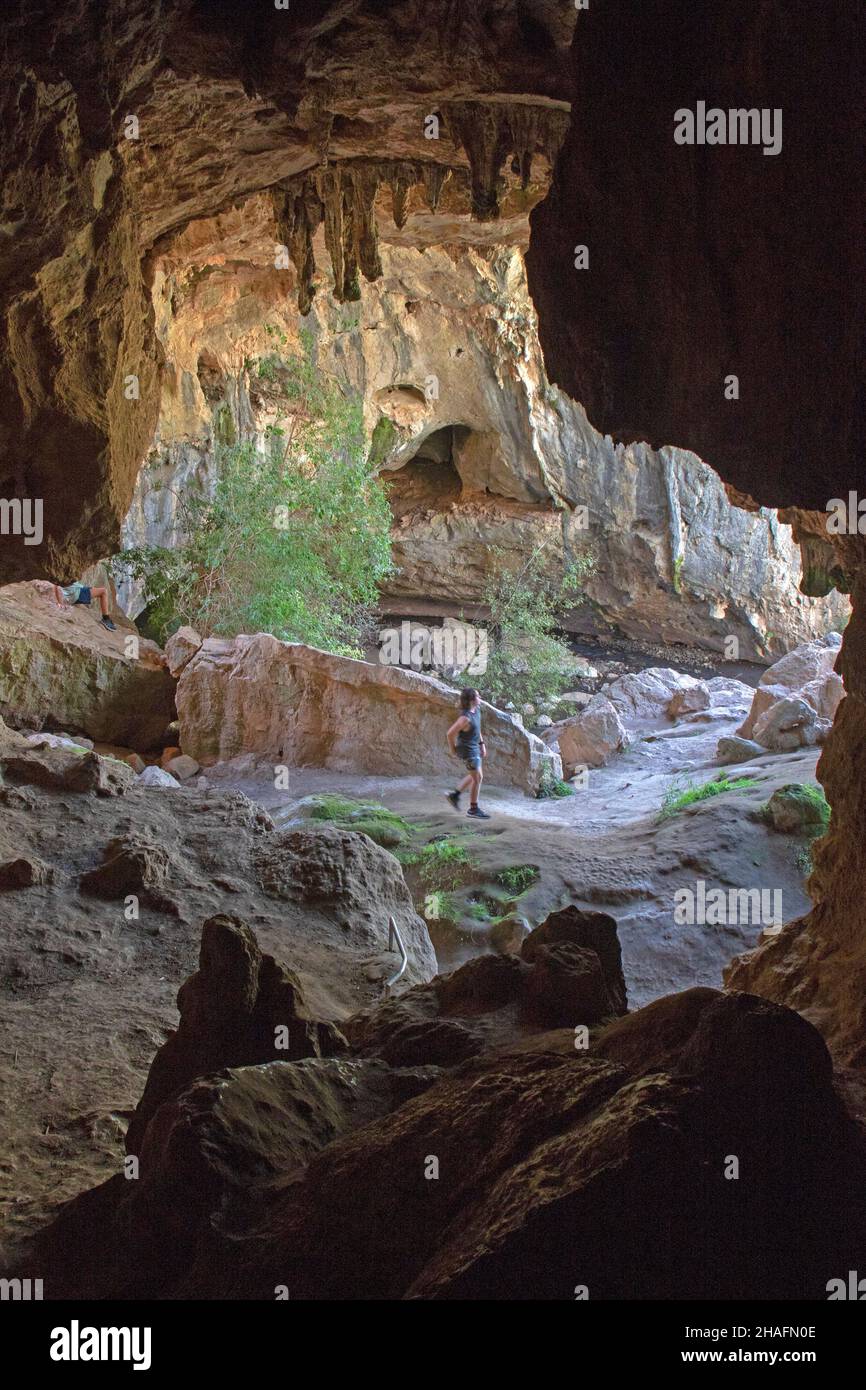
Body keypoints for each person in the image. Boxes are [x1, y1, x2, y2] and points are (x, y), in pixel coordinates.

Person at [446, 687, 491, 819]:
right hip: (468, 751)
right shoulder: (465, 718)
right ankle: (473, 809)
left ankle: (454, 796)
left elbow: (478, 729)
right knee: (477, 778)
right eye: (478, 696)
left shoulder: (476, 710)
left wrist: (482, 744)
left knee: (476, 777)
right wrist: (452, 749)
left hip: (475, 748)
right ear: (472, 700)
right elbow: (449, 734)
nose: (480, 698)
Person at [53, 580, 117, 631]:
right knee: (103, 591)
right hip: (76, 594)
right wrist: (60, 603)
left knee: (93, 589)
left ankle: (106, 619)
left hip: (77, 588)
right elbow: (57, 586)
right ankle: (106, 619)